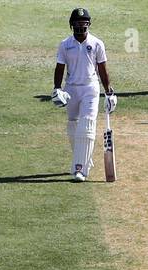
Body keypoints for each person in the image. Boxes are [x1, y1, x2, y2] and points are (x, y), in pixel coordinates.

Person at [51, 8, 116, 182]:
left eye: (84, 23)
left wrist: (109, 92)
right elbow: (59, 67)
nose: (81, 26)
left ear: (89, 24)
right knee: (73, 125)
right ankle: (84, 158)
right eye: (77, 23)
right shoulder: (65, 44)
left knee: (87, 123)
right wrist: (57, 88)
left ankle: (79, 169)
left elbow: (103, 69)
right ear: (71, 25)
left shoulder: (96, 44)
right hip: (71, 89)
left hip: (90, 88)